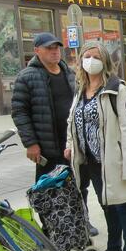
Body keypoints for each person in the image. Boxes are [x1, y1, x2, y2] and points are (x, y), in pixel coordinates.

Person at [64, 41, 126, 251]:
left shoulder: (116, 88)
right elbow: (72, 121)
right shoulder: (81, 90)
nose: (90, 60)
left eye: (95, 56)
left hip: (114, 160)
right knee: (107, 204)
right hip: (92, 161)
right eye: (86, 56)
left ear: (105, 61)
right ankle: (114, 247)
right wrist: (70, 146)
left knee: (124, 205)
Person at [11, 33, 75, 181]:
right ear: (37, 50)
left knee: (78, 189)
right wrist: (31, 143)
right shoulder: (26, 77)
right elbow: (20, 112)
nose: (54, 51)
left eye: (57, 48)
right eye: (49, 48)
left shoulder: (70, 73)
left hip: (73, 146)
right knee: (50, 191)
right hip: (48, 149)